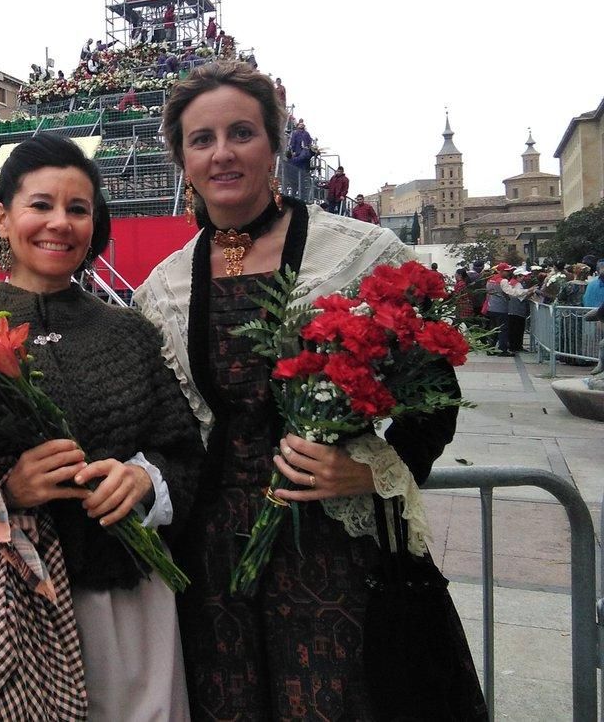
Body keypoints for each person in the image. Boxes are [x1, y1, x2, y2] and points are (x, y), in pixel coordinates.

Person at [133, 61, 486, 720]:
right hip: (215, 562)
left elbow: (433, 394)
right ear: (183, 159)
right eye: (201, 139)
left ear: (274, 144)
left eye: (242, 132)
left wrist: (372, 467)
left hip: (338, 548)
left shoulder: (360, 253)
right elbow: (167, 428)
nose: (223, 153)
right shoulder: (164, 286)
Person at [0, 133, 203, 719]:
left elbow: (181, 452)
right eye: (41, 205)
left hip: (125, 612)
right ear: (3, 218)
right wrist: (0, 492)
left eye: (78, 209)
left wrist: (147, 484)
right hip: (2, 611)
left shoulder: (128, 333)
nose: (60, 223)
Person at [285, 119, 314, 201]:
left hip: (303, 155)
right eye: (300, 124)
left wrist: (308, 147)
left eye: (302, 124)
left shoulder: (306, 133)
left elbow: (309, 141)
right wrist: (293, 150)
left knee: (302, 182)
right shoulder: (295, 133)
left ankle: (301, 197)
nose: (301, 125)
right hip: (298, 153)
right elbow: (292, 142)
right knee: (295, 183)